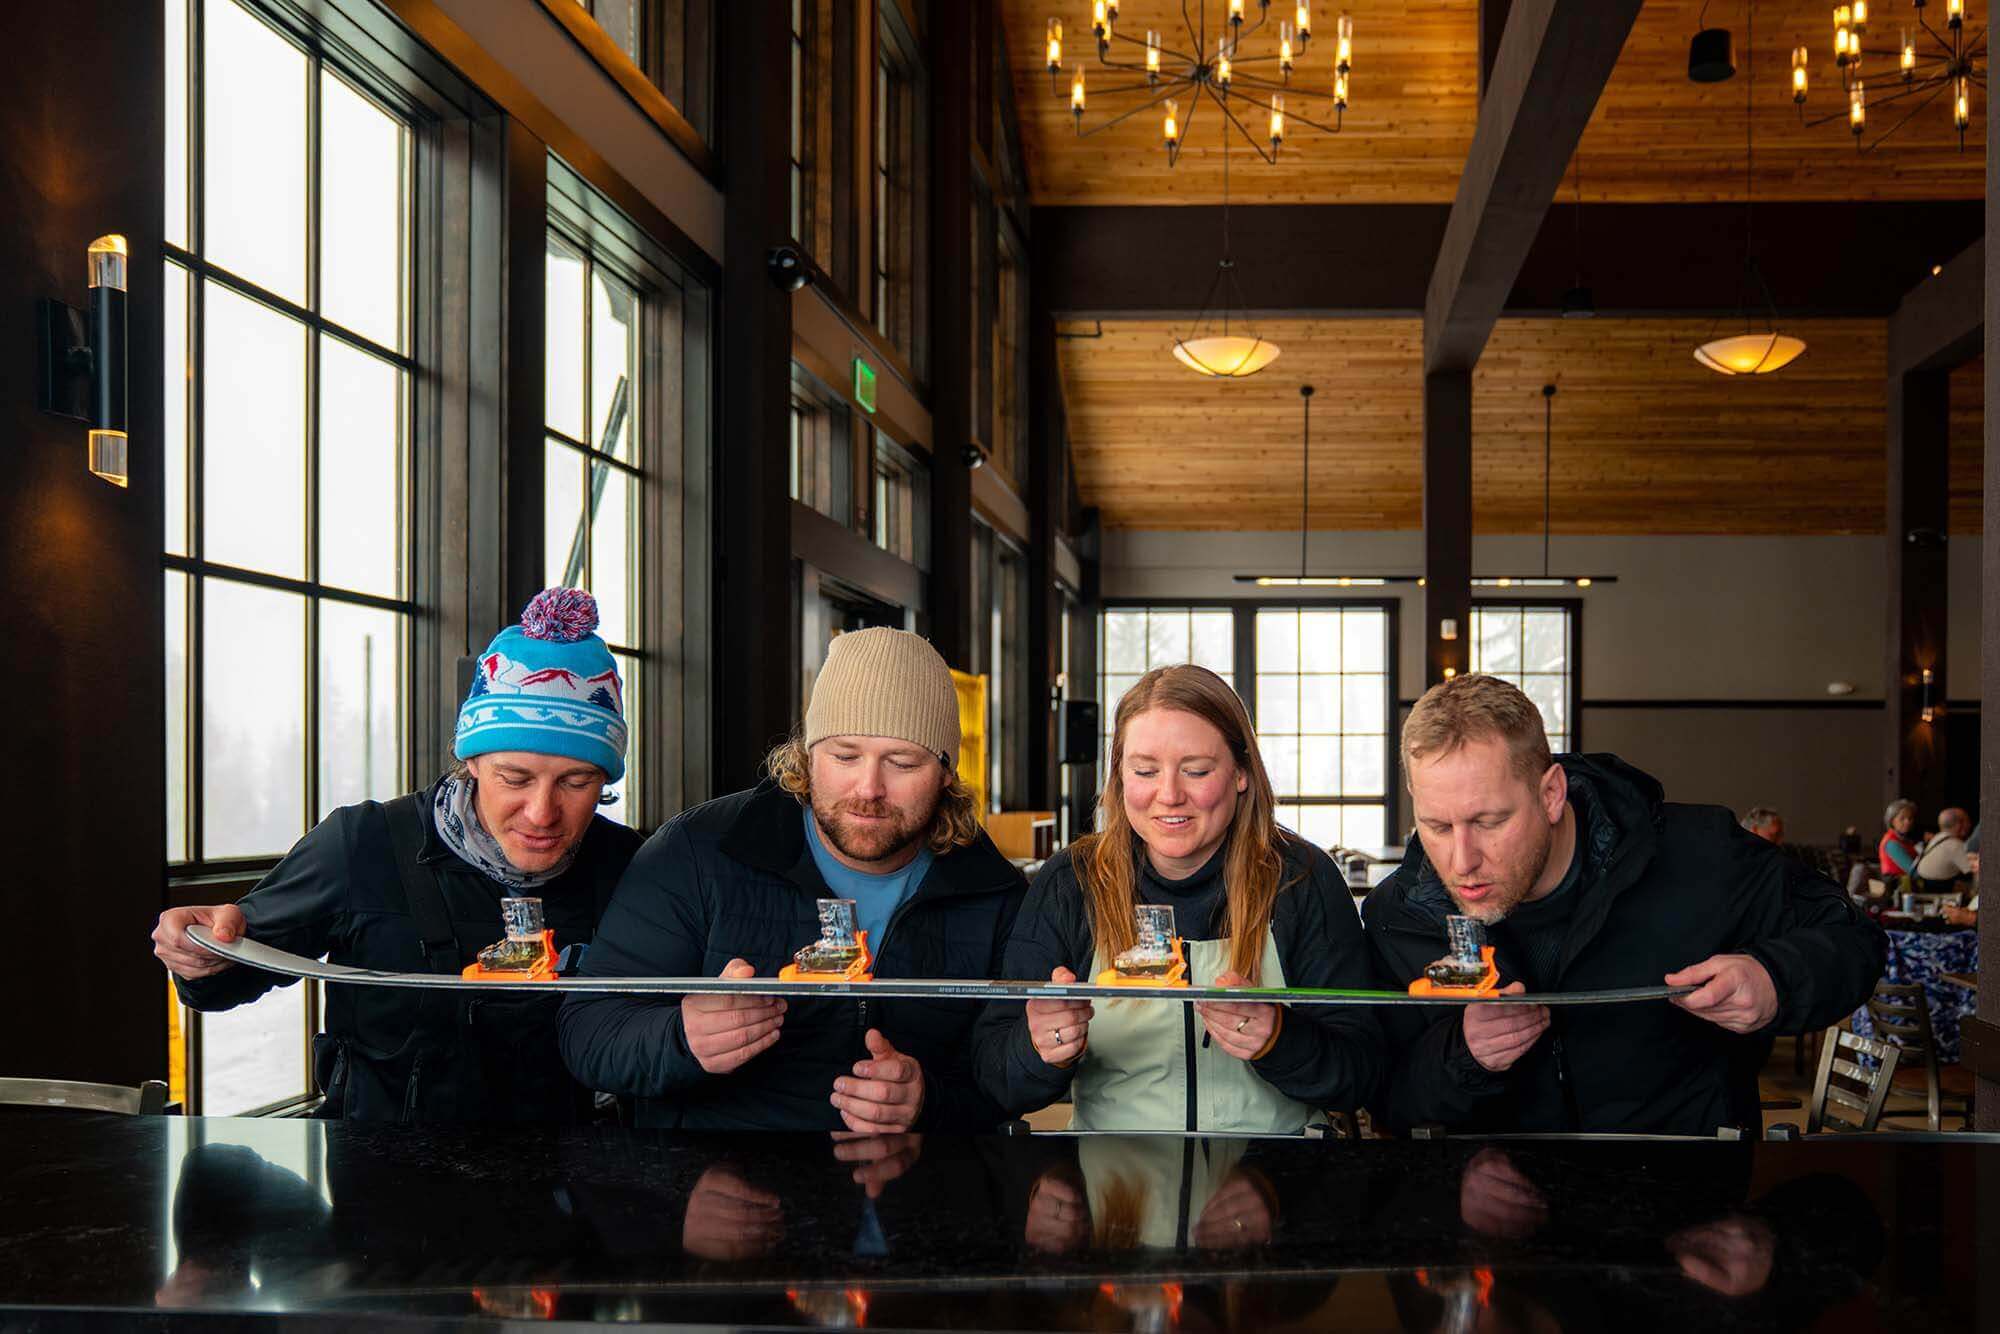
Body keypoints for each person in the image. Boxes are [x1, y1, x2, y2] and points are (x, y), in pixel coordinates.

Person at [152, 588, 643, 1123]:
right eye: (515, 779)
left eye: (576, 781)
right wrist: (202, 956)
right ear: (473, 762)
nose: (542, 813)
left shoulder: (635, 868)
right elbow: (225, 981)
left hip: (574, 1186)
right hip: (381, 1189)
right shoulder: (362, 845)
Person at [1364, 674, 1884, 1136]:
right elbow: (1388, 1103)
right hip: (1494, 1225)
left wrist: (1775, 979)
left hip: (1692, 1208)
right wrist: (1465, 1056)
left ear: (1551, 794)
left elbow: (1854, 938)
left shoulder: (1700, 854)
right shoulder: (1398, 915)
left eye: (1489, 822)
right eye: (1436, 826)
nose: (1461, 860)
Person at [558, 627, 1026, 1131]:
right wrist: (681, 1037)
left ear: (946, 772)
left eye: (903, 762)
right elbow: (587, 1030)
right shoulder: (699, 851)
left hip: (911, 1194)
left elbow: (1013, 1077)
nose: (868, 788)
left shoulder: (994, 891)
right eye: (845, 756)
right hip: (711, 1186)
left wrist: (928, 1102)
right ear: (807, 754)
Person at [972, 665, 1384, 1133]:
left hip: (1274, 1180)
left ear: (1242, 772)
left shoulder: (1301, 880)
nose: (1168, 795)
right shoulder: (1072, 881)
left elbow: (1364, 1073)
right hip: (1113, 1188)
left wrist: (1280, 1040)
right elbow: (995, 1076)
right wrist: (1040, 1049)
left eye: (1196, 771)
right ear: (1121, 777)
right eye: (1145, 771)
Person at [1914, 806, 1976, 892]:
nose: (1970, 825)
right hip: (1938, 889)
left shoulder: (1938, 837)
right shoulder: (1955, 845)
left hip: (1922, 885)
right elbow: (1973, 870)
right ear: (1959, 825)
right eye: (1967, 821)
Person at [1879, 799, 1920, 877]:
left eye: (1910, 818)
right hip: (1898, 887)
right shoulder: (1891, 843)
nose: (1908, 822)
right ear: (1892, 821)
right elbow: (1914, 873)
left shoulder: (1905, 840)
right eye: (1902, 818)